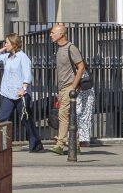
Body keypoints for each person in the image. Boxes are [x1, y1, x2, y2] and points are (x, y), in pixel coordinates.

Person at [0, 33, 44, 152]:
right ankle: (1, 145)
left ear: (14, 44)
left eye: (7, 42)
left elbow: (27, 74)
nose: (5, 44)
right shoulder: (7, 56)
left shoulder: (22, 57)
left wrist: (23, 88)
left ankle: (36, 145)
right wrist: (4, 48)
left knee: (26, 119)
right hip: (7, 93)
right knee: (2, 119)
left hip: (21, 94)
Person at [49, 22, 87, 155]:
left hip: (69, 87)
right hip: (61, 88)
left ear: (61, 34)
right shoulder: (59, 49)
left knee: (63, 115)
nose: (50, 35)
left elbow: (81, 67)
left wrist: (73, 86)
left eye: (53, 32)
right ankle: (75, 144)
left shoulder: (71, 48)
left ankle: (60, 144)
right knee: (69, 116)